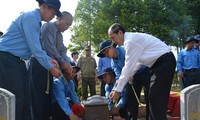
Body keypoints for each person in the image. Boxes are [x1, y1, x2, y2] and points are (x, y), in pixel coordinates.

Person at [0, 0, 62, 120]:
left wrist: (49, 60)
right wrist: (51, 68)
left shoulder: (36, 22)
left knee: (26, 99)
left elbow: (35, 48)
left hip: (19, 62)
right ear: (44, 6)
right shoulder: (30, 18)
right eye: (53, 12)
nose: (53, 16)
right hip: (6, 59)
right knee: (15, 99)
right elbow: (36, 50)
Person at [108, 23, 176, 120]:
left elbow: (128, 67)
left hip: (164, 62)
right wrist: (122, 82)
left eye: (113, 37)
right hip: (157, 66)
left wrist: (118, 90)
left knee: (155, 97)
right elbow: (136, 65)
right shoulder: (131, 41)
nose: (113, 42)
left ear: (120, 33)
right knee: (154, 97)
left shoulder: (130, 42)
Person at [29, 11, 73, 120]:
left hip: (51, 67)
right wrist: (62, 63)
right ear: (59, 19)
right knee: (38, 99)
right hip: (39, 65)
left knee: (47, 99)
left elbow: (62, 51)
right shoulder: (48, 27)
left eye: (70, 25)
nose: (67, 27)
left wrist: (67, 63)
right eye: (67, 24)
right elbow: (49, 49)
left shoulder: (60, 35)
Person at [97, 40, 150, 120]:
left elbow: (130, 67)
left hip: (143, 70)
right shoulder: (113, 63)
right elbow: (119, 76)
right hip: (131, 76)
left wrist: (120, 86)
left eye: (106, 52)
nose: (106, 55)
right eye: (104, 54)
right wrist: (115, 90)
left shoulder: (125, 50)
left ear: (111, 47)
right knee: (131, 98)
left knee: (149, 96)